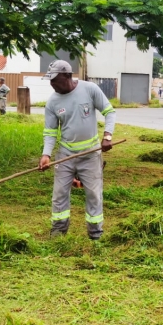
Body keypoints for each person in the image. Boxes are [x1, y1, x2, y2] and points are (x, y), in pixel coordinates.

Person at [38, 60, 116, 240]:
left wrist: (107, 136)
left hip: (90, 154)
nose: (51, 84)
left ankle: (96, 235)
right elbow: (50, 132)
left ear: (67, 75)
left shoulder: (90, 89)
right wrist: (46, 154)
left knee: (94, 194)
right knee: (59, 194)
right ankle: (58, 233)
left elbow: (109, 112)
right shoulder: (52, 102)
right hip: (65, 156)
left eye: (54, 80)